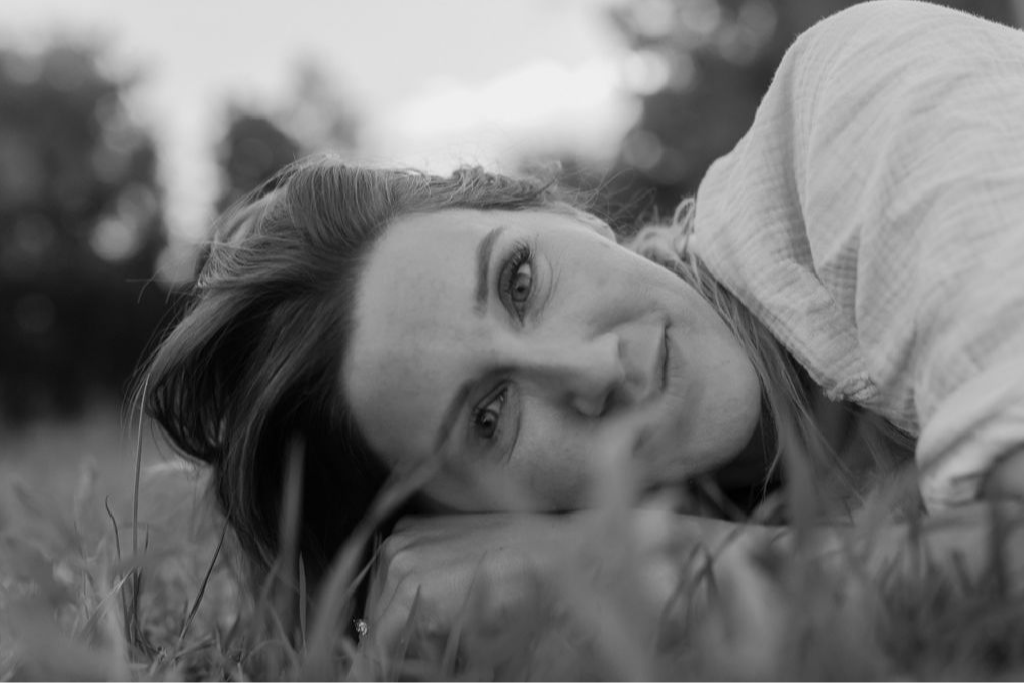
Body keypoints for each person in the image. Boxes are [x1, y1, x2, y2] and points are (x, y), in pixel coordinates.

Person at [142, 0, 1024, 661]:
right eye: (490, 418)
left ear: (562, 211)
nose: (589, 369)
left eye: (521, 280)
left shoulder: (864, 100)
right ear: (485, 526)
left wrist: (631, 573)